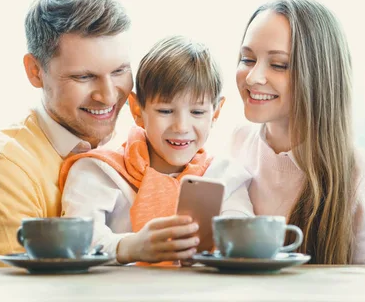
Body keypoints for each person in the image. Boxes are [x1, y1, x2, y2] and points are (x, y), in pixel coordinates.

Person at [0, 0, 134, 267]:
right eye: (83, 77)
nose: (108, 95)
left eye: (119, 71)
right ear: (35, 72)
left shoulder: (139, 144)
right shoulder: (4, 170)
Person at [231, 0, 365, 265]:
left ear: (319, 74)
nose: (252, 78)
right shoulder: (236, 146)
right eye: (247, 59)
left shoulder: (362, 176)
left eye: (279, 65)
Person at [59, 35, 254, 265]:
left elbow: (244, 233)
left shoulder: (225, 175)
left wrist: (221, 244)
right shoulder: (98, 171)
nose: (181, 127)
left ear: (216, 113)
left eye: (197, 112)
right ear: (137, 111)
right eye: (165, 111)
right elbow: (75, 240)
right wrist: (129, 247)